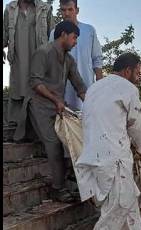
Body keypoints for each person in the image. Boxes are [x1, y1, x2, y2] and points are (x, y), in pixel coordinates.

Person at [15, 20, 86, 202]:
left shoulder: (69, 60)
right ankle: (57, 188)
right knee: (54, 144)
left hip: (57, 107)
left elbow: (79, 85)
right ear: (63, 35)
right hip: (38, 105)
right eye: (74, 37)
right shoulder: (43, 52)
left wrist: (94, 103)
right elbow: (35, 83)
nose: (75, 42)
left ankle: (74, 182)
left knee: (75, 139)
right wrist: (56, 99)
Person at [75, 53, 141, 230]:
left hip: (93, 158)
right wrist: (140, 147)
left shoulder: (94, 88)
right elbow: (136, 125)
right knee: (117, 209)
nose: (138, 78)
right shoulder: (128, 89)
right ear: (127, 71)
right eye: (138, 73)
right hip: (114, 160)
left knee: (129, 209)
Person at [3, 0, 54, 129]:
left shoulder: (45, 9)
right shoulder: (9, 9)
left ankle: (38, 129)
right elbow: (4, 35)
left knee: (39, 91)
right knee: (18, 91)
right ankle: (16, 129)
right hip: (18, 61)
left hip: (39, 62)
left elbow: (53, 36)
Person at [49, 0, 103, 111]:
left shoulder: (89, 31)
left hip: (86, 86)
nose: (67, 13)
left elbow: (97, 59)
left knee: (87, 121)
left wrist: (100, 86)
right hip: (64, 90)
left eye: (70, 9)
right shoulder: (54, 33)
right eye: (63, 10)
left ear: (77, 10)